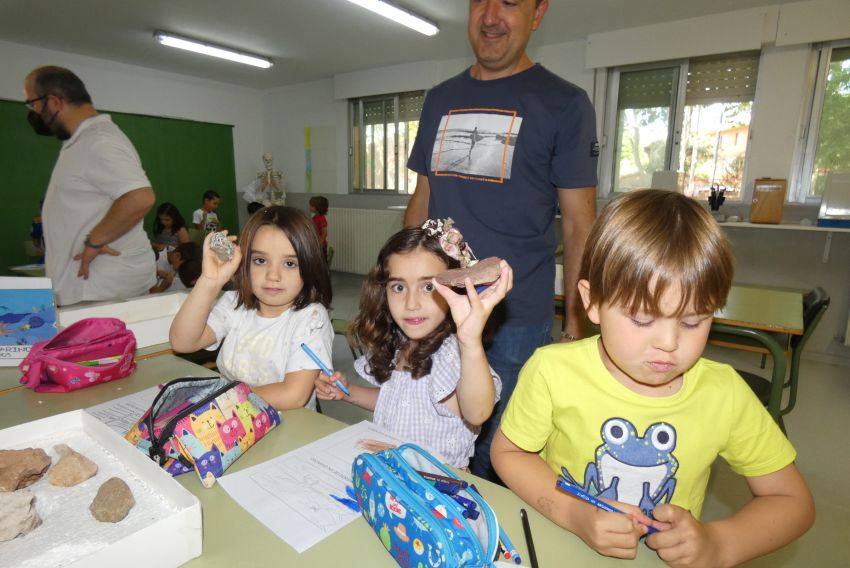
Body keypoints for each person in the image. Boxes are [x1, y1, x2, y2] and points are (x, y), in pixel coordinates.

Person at [491, 190, 815, 565]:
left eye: (693, 321)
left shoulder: (724, 394)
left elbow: (794, 502)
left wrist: (718, 543)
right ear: (592, 301)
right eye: (642, 319)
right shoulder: (552, 370)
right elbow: (509, 453)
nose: (669, 343)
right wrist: (574, 513)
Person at [404, 0, 599, 481]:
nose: (490, 16)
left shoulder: (564, 104)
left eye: (510, 2)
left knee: (496, 461)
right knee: (431, 438)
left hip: (515, 322)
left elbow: (580, 225)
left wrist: (575, 327)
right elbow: (422, 199)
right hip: (436, 307)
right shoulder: (439, 99)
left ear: (538, 13)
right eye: (479, 2)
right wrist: (396, 286)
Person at [314, 221, 512, 469]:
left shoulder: (454, 354)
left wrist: (470, 342)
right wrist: (348, 392)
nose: (411, 303)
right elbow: (397, 403)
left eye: (428, 287)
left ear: (456, 287)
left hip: (436, 489)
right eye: (398, 287)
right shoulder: (399, 342)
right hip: (393, 475)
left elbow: (477, 413)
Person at [170, 206, 333, 411]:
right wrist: (209, 281)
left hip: (287, 426)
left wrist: (221, 400)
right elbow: (183, 342)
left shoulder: (311, 318)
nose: (273, 275)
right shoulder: (234, 303)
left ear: (309, 266)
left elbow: (294, 395)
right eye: (260, 260)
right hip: (231, 421)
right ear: (245, 263)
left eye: (290, 263)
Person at [24, 65, 156, 306]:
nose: (33, 112)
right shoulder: (81, 141)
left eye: (33, 104)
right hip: (89, 286)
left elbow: (140, 197)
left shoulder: (99, 141)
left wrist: (95, 240)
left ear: (53, 102)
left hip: (100, 287)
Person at [309, 195, 329, 262]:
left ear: (317, 207)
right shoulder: (314, 217)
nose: (310, 207)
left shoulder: (322, 219)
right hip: (316, 244)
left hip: (321, 246)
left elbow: (324, 233)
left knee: (322, 264)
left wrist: (320, 244)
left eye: (311, 206)